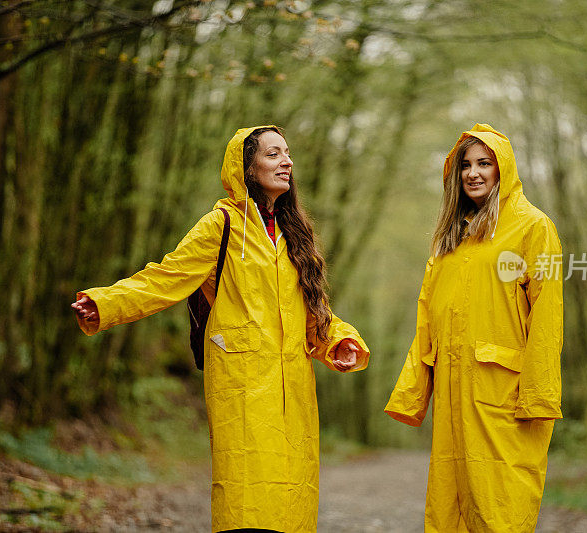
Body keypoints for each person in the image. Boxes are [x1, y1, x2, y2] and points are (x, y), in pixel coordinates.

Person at [72, 125, 369, 533]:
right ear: (246, 167)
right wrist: (106, 303)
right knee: (245, 499)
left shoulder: (295, 232)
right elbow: (166, 276)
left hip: (294, 388)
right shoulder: (221, 225)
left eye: (287, 154)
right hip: (242, 385)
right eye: (273, 154)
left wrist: (340, 339)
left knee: (294, 497)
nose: (287, 162)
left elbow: (313, 313)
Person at [385, 123, 563, 532]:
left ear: (504, 170)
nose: (473, 173)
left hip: (505, 396)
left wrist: (538, 396)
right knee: (450, 506)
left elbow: (549, 316)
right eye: (465, 165)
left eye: (485, 163)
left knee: (500, 506)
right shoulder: (450, 240)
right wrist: (415, 392)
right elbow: (426, 317)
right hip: (454, 394)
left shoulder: (534, 227)